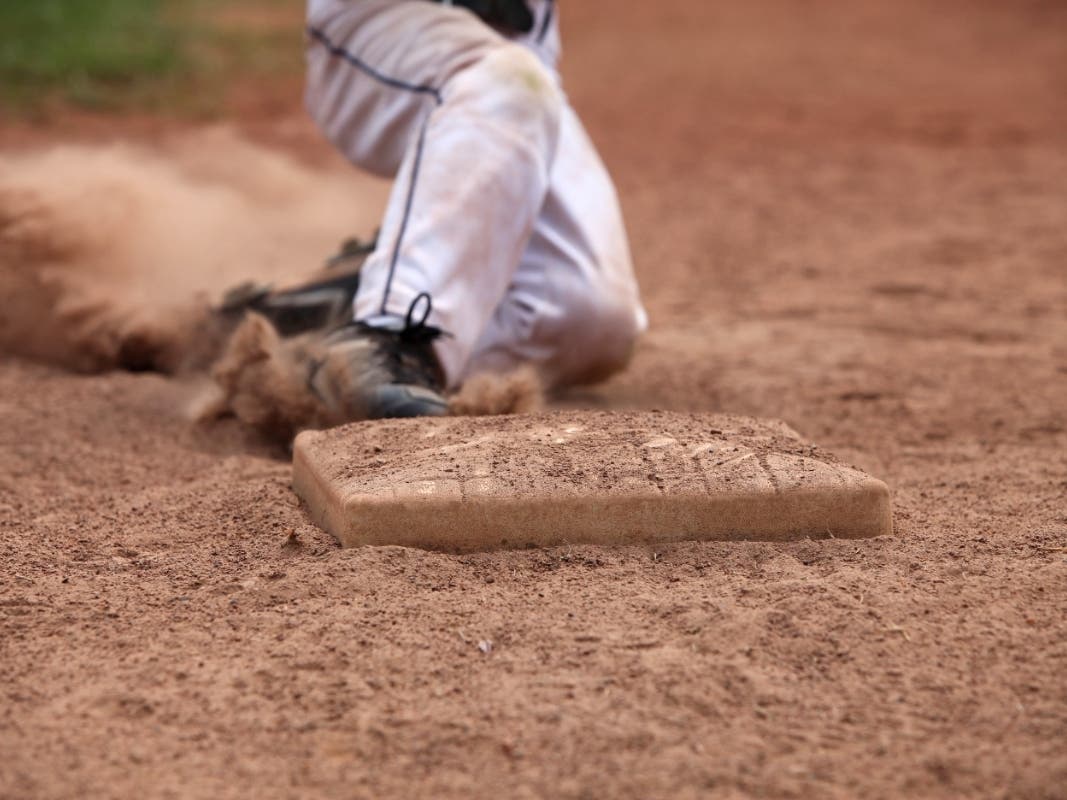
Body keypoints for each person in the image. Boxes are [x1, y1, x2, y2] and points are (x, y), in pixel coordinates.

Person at [299, 0, 646, 417]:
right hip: (380, 27)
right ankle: (385, 332)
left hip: (518, 53)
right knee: (506, 84)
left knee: (589, 317)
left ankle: (341, 313)